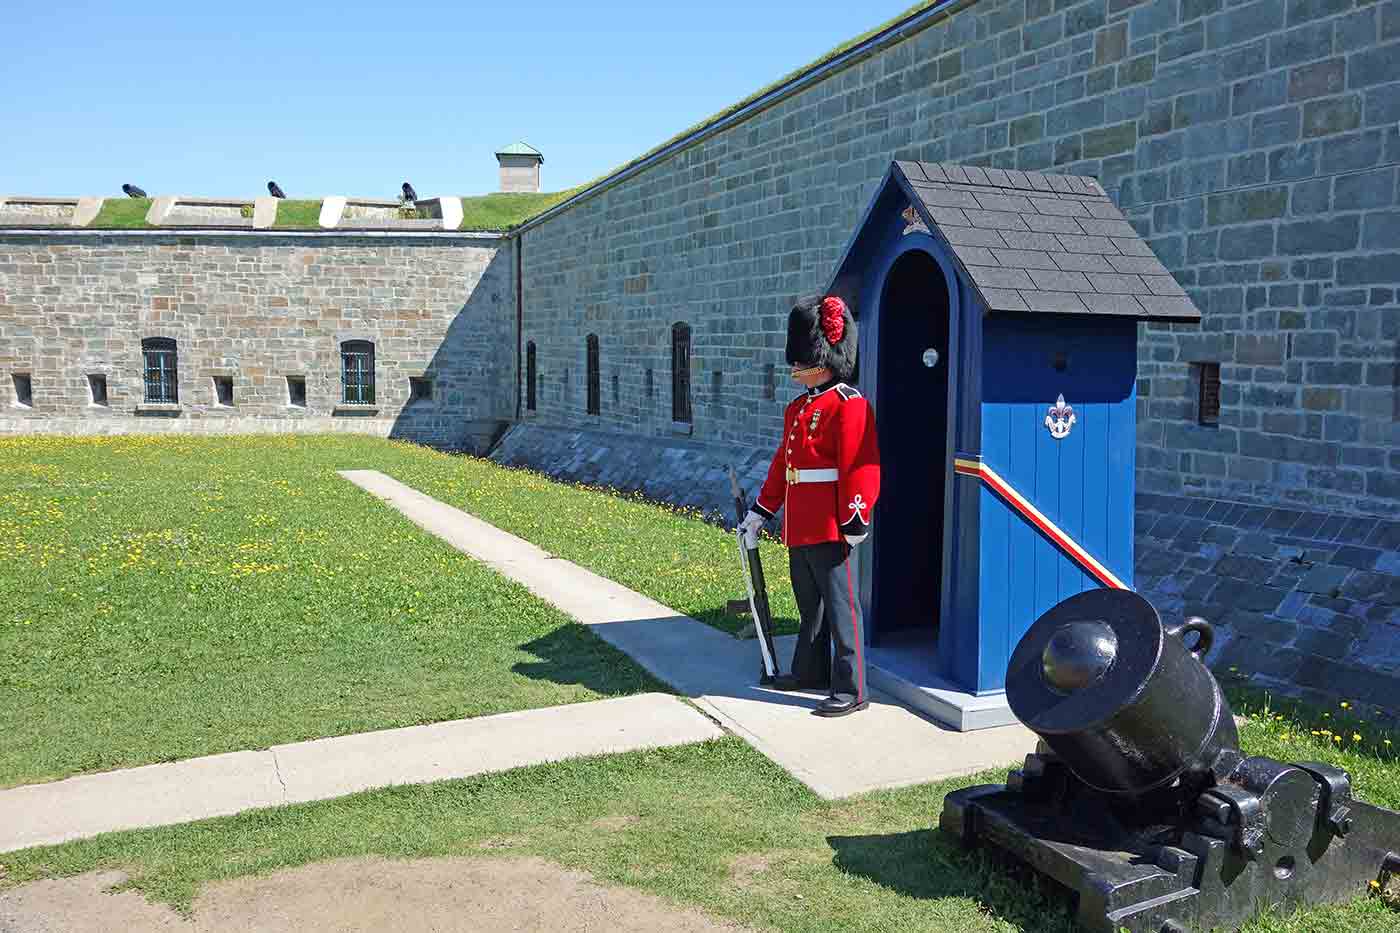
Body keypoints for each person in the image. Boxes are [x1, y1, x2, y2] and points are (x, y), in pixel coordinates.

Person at [738, 294, 881, 717]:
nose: (794, 366)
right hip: (800, 521)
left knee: (842, 608)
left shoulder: (849, 404)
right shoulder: (798, 408)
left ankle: (853, 689)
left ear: (825, 357)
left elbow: (860, 464)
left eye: (802, 359)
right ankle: (810, 672)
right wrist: (761, 511)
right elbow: (784, 464)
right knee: (810, 607)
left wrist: (856, 514)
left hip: (833, 522)